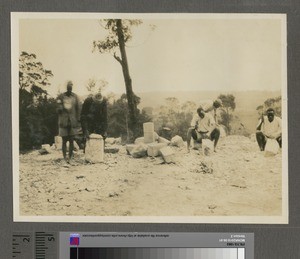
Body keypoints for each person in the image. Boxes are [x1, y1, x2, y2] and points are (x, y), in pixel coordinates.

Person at [56, 81, 80, 164]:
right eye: (68, 87)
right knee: (64, 140)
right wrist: (61, 107)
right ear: (66, 87)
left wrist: (77, 120)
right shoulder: (61, 96)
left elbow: (78, 109)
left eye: (71, 86)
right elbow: (57, 109)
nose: (70, 88)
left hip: (72, 122)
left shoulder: (75, 97)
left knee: (71, 140)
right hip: (63, 121)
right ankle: (64, 157)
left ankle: (70, 157)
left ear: (72, 87)